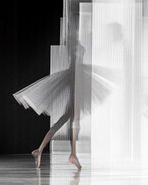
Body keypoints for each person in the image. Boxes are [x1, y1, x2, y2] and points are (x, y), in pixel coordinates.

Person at [13, 31, 111, 169]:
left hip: (78, 80)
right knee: (74, 120)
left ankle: (41, 150)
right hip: (76, 81)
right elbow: (75, 64)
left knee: (66, 120)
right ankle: (72, 155)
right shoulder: (74, 46)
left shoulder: (75, 45)